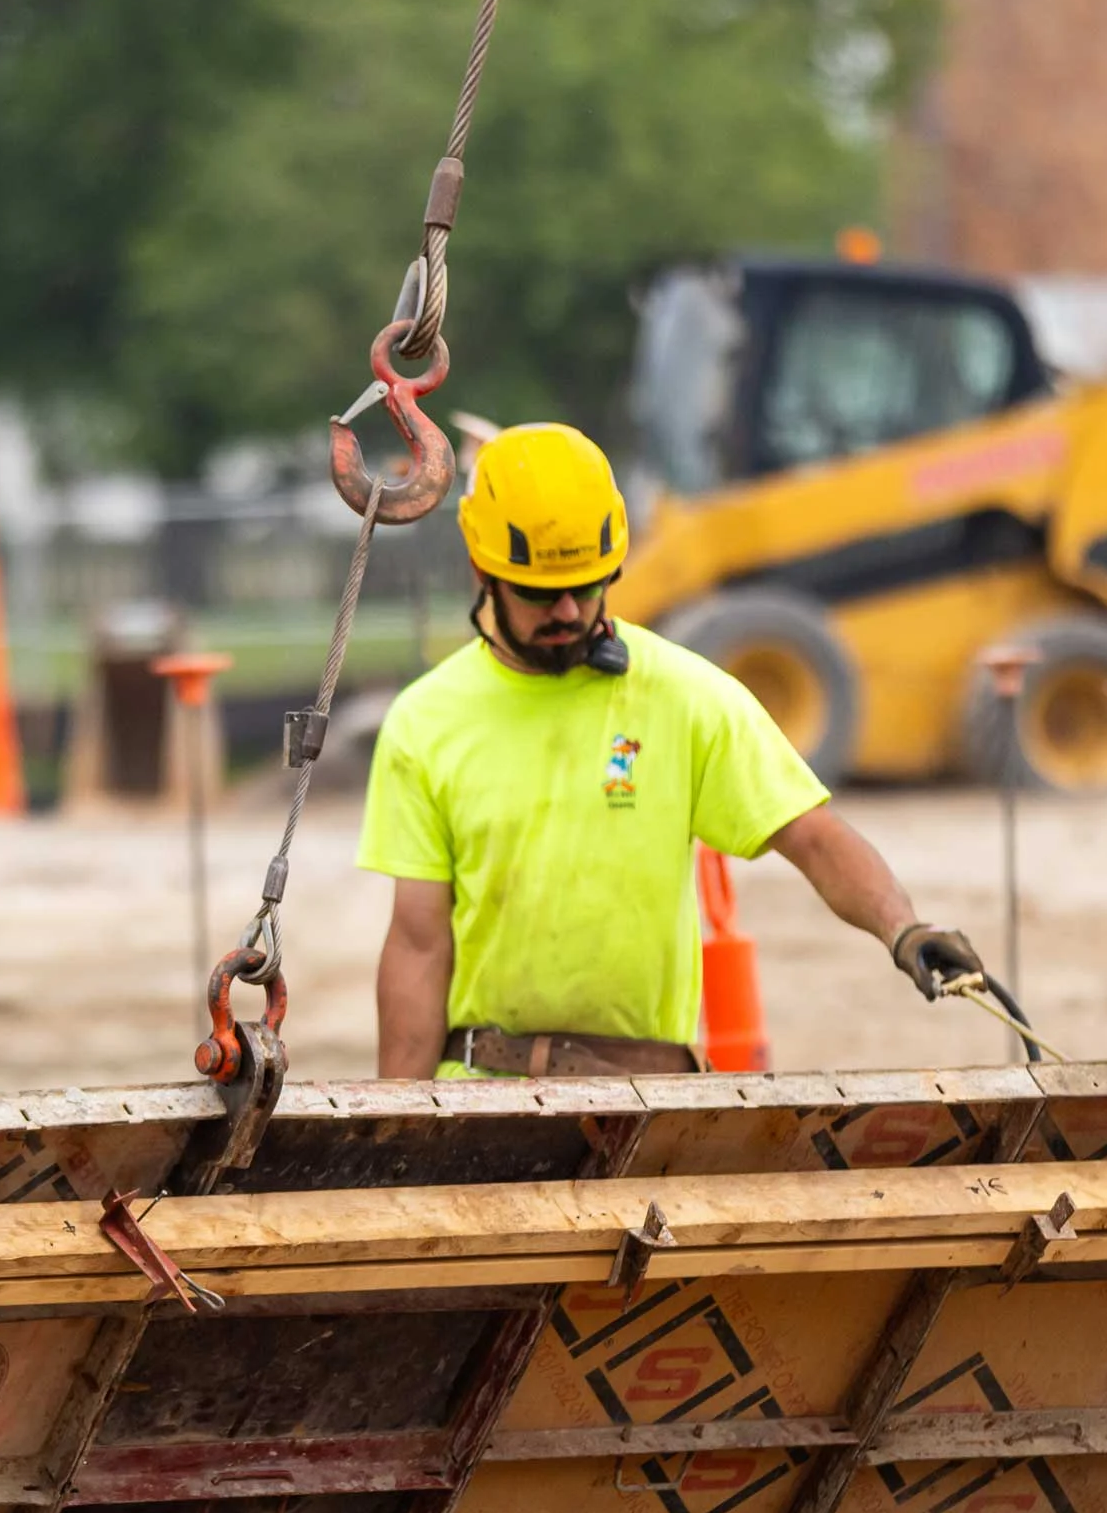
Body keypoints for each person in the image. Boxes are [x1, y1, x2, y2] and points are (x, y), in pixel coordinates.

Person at [360, 422, 1001, 1077]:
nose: (567, 611)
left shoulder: (681, 694)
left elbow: (812, 835)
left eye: (586, 586)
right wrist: (396, 1131)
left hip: (643, 1092)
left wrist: (904, 930)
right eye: (537, 593)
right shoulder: (425, 723)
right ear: (481, 569)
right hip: (479, 1093)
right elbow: (417, 944)